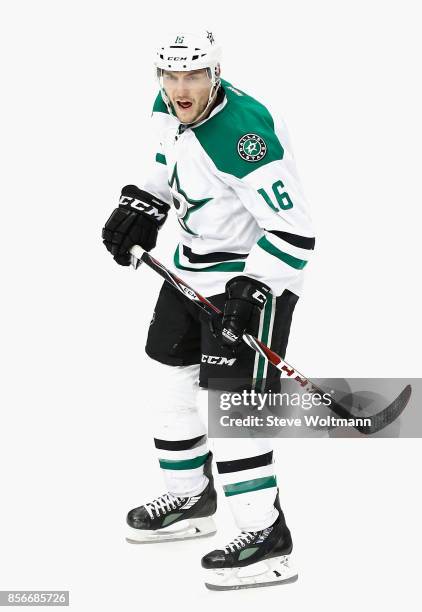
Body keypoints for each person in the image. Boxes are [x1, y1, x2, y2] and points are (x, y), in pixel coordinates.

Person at [102, 30, 315, 590]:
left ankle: (266, 536)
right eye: (171, 77)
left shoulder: (244, 135)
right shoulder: (166, 106)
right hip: (187, 270)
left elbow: (295, 233)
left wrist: (251, 288)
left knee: (232, 414)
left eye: (192, 76)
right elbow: (165, 167)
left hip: (250, 279)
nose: (179, 88)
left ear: (214, 74)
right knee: (166, 385)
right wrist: (140, 205)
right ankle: (191, 498)